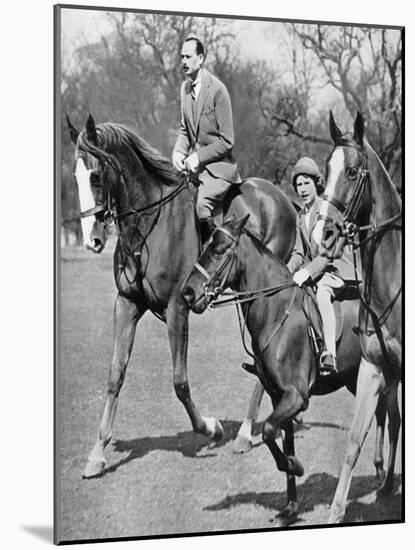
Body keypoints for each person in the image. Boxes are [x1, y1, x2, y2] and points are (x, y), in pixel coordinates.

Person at [288, 156, 356, 375]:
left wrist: (307, 271)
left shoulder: (326, 210)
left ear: (316, 183)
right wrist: (288, 270)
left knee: (323, 293)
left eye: (306, 182)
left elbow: (326, 255)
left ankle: (330, 354)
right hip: (316, 270)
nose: (302, 188)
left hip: (336, 268)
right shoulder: (300, 216)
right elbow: (299, 252)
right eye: (299, 184)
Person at [172, 37, 241, 234]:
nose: (183, 61)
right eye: (181, 57)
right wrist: (178, 152)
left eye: (188, 56)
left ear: (200, 59)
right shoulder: (184, 89)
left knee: (202, 205)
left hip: (220, 168)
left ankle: (216, 256)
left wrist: (197, 156)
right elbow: (185, 130)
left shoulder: (218, 90)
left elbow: (227, 140)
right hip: (195, 169)